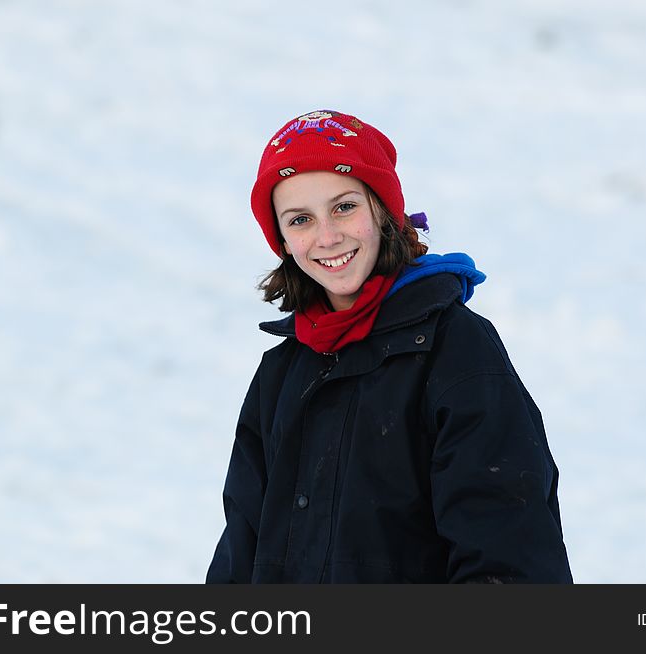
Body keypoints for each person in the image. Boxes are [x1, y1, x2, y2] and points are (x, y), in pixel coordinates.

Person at [206, 109, 573, 583]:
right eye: (300, 219)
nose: (327, 236)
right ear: (282, 240)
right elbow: (239, 558)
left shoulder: (456, 349)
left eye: (344, 206)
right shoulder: (281, 373)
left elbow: (509, 558)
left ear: (382, 209)